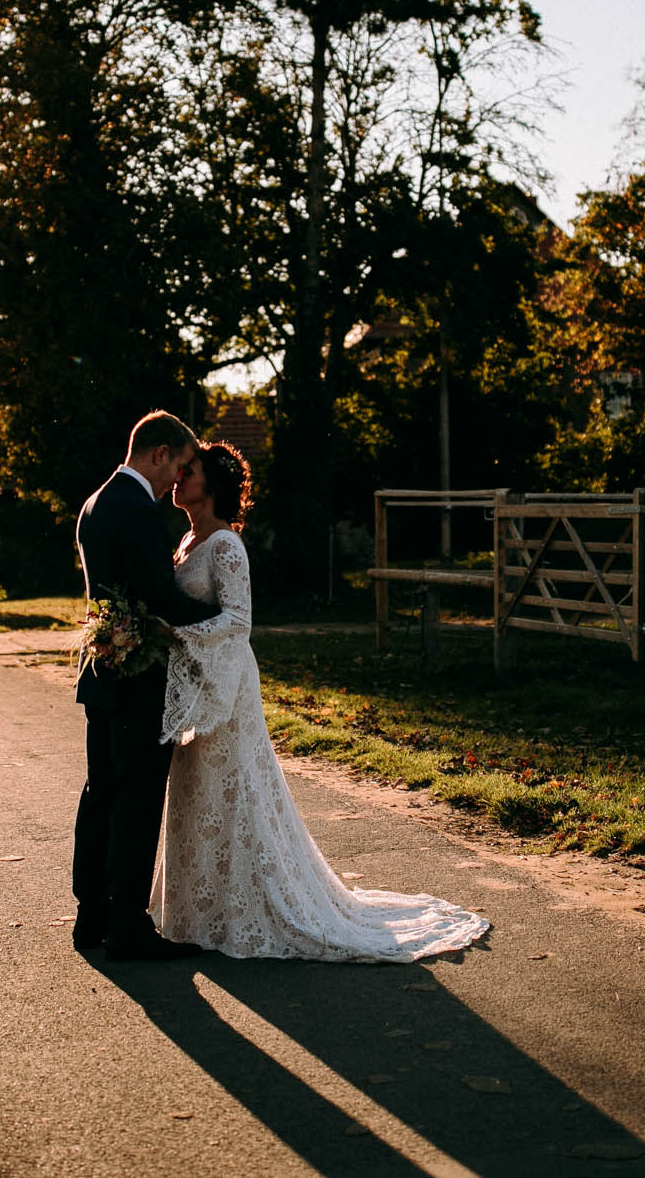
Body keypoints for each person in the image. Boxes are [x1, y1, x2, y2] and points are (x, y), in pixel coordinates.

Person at [152, 442, 490, 962]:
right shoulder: (186, 540)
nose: (178, 476)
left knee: (234, 785)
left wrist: (174, 632)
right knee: (198, 786)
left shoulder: (225, 546)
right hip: (199, 681)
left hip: (229, 685)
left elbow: (239, 621)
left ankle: (250, 907)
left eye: (188, 470)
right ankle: (202, 911)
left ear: (212, 484)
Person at [72, 411, 222, 959]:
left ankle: (91, 916)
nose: (177, 480)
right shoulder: (136, 508)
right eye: (179, 465)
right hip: (138, 680)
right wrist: (217, 611)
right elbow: (161, 597)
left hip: (103, 674)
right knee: (135, 801)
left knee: (101, 794)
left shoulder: (96, 501)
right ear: (158, 454)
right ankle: (128, 927)